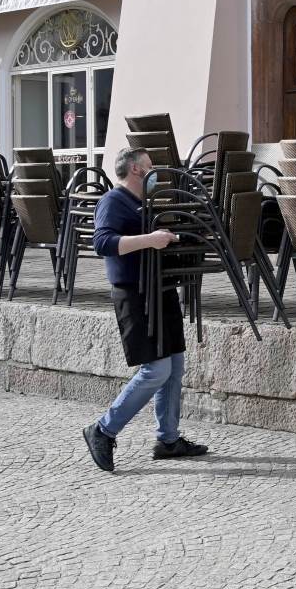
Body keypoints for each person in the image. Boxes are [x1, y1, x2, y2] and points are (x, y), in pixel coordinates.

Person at [82, 147, 208, 472]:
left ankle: (168, 440)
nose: (155, 174)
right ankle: (103, 430)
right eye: (150, 167)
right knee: (156, 370)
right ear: (137, 169)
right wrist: (149, 239)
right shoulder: (113, 200)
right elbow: (102, 243)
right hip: (135, 293)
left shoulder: (145, 203)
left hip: (161, 289)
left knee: (175, 366)